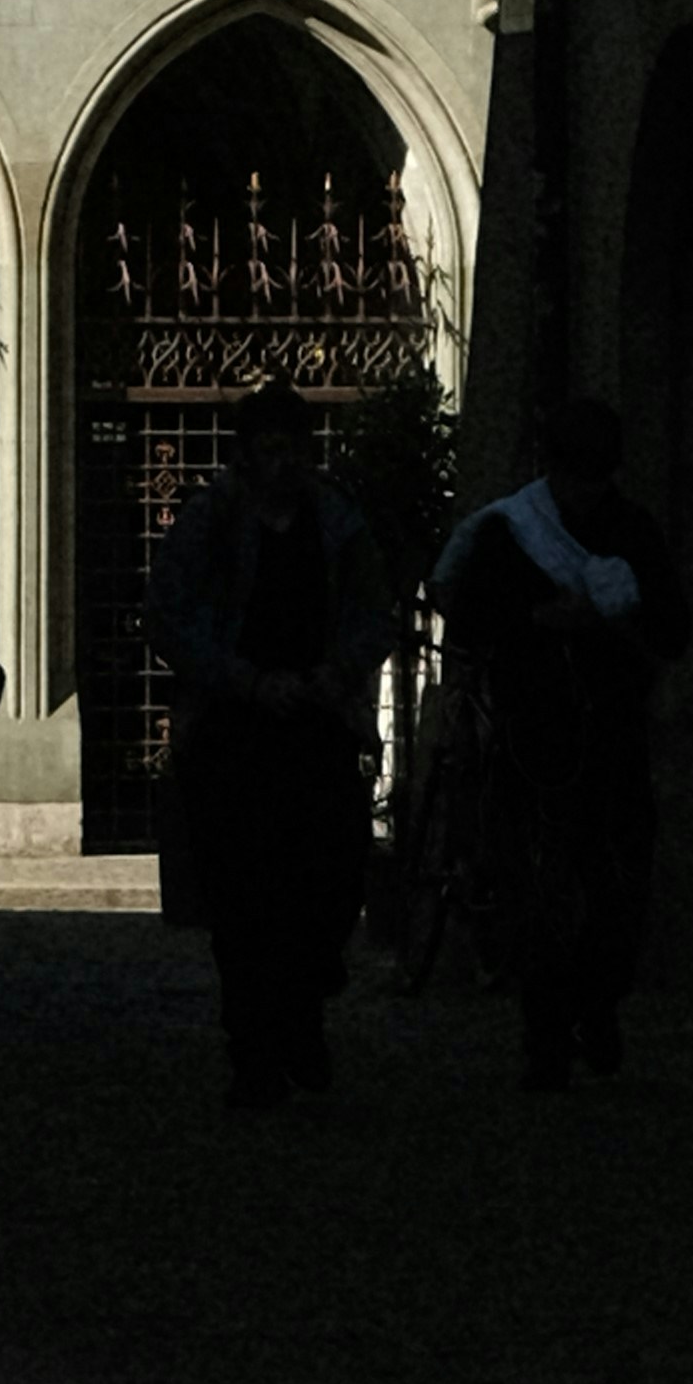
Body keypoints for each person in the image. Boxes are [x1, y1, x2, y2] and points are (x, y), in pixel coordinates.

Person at [147, 382, 397, 1109]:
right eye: (270, 447)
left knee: (326, 881)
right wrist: (243, 679)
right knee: (242, 899)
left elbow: (370, 610)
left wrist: (334, 674)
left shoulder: (335, 520)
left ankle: (302, 1011)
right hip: (233, 726)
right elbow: (169, 615)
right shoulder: (211, 519)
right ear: (247, 452)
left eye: (294, 446)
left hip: (317, 721)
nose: (282, 462)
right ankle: (253, 1050)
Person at [431, 396, 693, 1087]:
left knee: (619, 887)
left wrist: (613, 618)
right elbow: (472, 617)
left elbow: (672, 626)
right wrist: (540, 619)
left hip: (611, 731)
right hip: (534, 734)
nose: (587, 489)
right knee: (538, 891)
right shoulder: (513, 532)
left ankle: (595, 999)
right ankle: (545, 1034)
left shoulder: (630, 528)